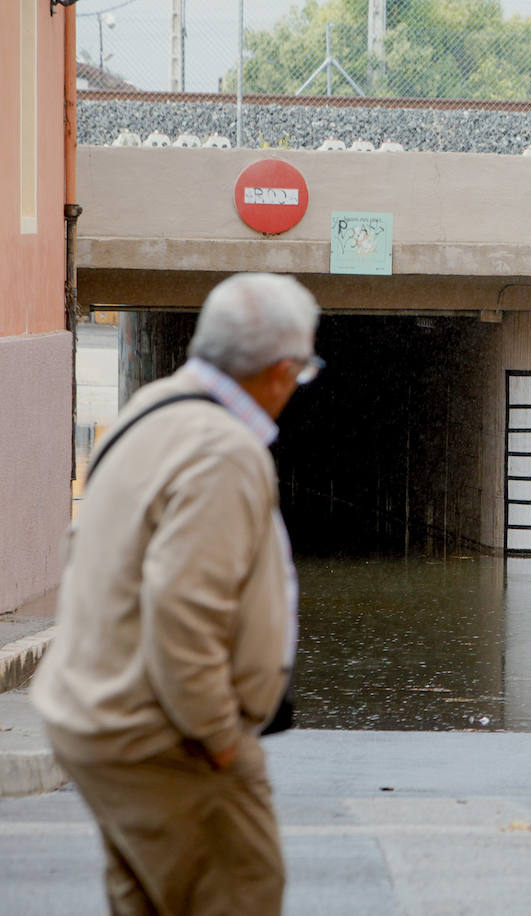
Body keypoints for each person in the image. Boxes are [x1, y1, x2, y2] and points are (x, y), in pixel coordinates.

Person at [33, 272, 323, 916]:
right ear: (281, 369)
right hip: (169, 741)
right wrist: (222, 738)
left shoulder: (152, 410)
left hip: (100, 721)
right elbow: (181, 611)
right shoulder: (223, 450)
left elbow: (82, 554)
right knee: (241, 892)